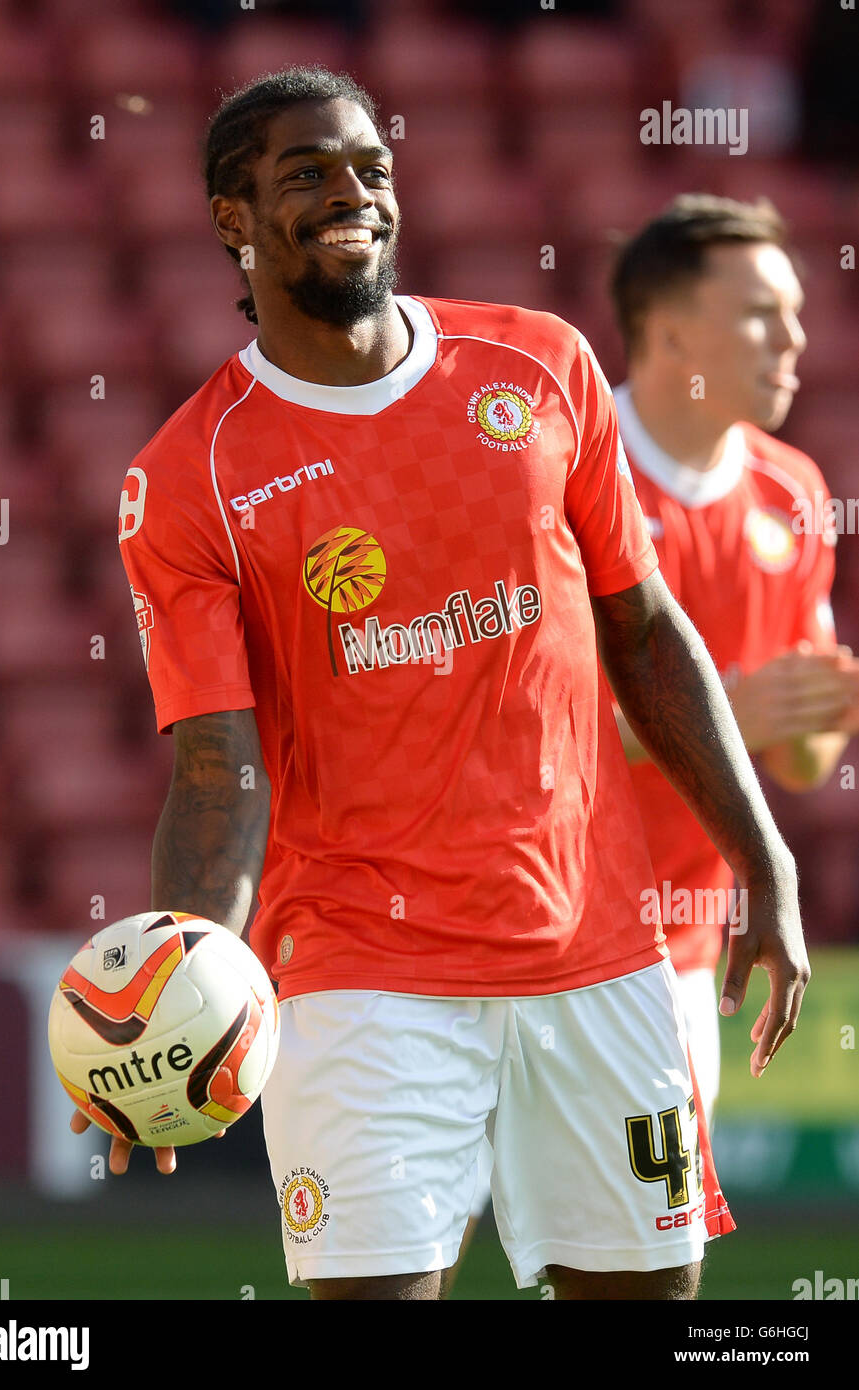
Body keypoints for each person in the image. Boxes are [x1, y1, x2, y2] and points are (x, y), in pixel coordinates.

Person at [73, 68, 809, 1302]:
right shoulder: (189, 476)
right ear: (230, 219)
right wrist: (181, 992)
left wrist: (763, 854)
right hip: (362, 974)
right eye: (304, 172)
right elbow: (217, 767)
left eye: (370, 166)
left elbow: (647, 630)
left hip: (598, 950)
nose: (351, 192)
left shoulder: (538, 364)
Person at [609, 195, 859, 1124]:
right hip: (509, 928)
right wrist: (728, 719)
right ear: (669, 334)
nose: (793, 337)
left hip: (674, 949)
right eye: (762, 313)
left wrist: (823, 709)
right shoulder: (562, 469)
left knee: (650, 1256)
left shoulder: (792, 493)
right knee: (421, 1250)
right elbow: (509, 727)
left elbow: (800, 761)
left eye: (793, 312)